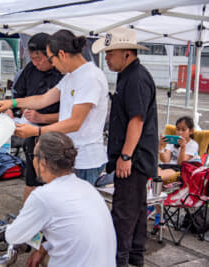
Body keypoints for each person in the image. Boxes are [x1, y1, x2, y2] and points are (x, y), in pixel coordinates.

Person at [0, 29, 109, 185]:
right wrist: (13, 103)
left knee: (74, 207)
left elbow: (75, 122)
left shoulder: (90, 77)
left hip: (85, 160)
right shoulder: (71, 76)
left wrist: (36, 131)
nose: (52, 63)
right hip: (70, 155)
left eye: (51, 58)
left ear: (61, 54)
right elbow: (43, 99)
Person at [92, 27, 158, 267]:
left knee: (123, 215)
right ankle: (135, 259)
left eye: (110, 54)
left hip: (134, 159)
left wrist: (126, 156)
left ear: (126, 53)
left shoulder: (136, 78)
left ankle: (119, 261)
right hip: (136, 158)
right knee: (137, 213)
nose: (107, 58)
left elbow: (137, 119)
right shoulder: (128, 75)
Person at [5, 131, 116, 267]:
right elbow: (71, 234)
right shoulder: (87, 188)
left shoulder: (43, 196)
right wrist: (43, 247)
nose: (32, 160)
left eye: (33, 156)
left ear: (43, 162)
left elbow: (13, 236)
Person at [11, 32, 63, 201]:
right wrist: (12, 109)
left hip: (57, 136)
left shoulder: (63, 74)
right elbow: (20, 97)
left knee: (53, 183)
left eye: (39, 59)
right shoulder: (31, 69)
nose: (36, 63)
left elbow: (72, 117)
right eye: (32, 59)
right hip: (31, 133)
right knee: (32, 179)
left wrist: (42, 118)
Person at [158, 116, 200, 180]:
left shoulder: (193, 145)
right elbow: (165, 160)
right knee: (148, 170)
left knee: (157, 176)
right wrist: (160, 147)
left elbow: (180, 163)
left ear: (191, 131)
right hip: (165, 166)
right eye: (178, 129)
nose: (180, 132)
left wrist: (183, 147)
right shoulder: (172, 141)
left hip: (178, 169)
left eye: (183, 130)